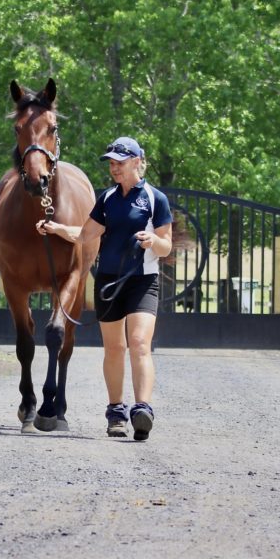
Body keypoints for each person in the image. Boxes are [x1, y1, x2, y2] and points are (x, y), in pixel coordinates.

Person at [36, 136, 172, 441]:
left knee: (138, 344)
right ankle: (115, 412)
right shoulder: (108, 199)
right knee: (114, 348)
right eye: (111, 163)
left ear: (137, 162)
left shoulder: (154, 199)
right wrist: (56, 228)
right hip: (109, 282)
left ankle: (143, 410)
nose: (114, 168)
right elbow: (86, 235)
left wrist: (154, 242)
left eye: (119, 163)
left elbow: (166, 246)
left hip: (142, 281)